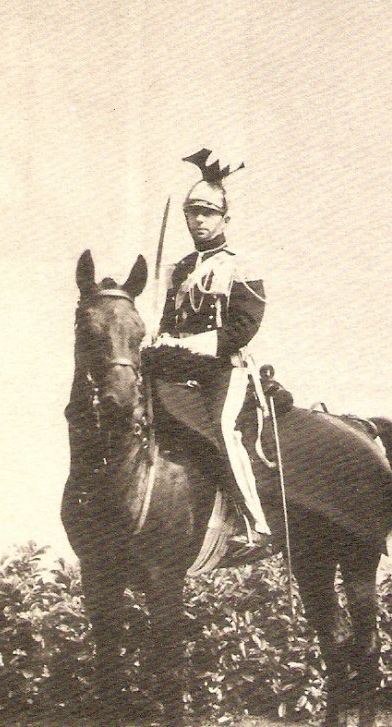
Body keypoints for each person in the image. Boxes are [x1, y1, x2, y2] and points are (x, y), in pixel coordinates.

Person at [156, 148, 271, 558]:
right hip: (182, 367)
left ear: (225, 218)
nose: (199, 220)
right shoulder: (179, 268)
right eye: (193, 213)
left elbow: (244, 326)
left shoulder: (240, 265)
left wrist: (190, 344)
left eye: (208, 213)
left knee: (225, 428)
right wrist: (160, 340)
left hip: (226, 368)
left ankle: (253, 522)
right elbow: (170, 322)